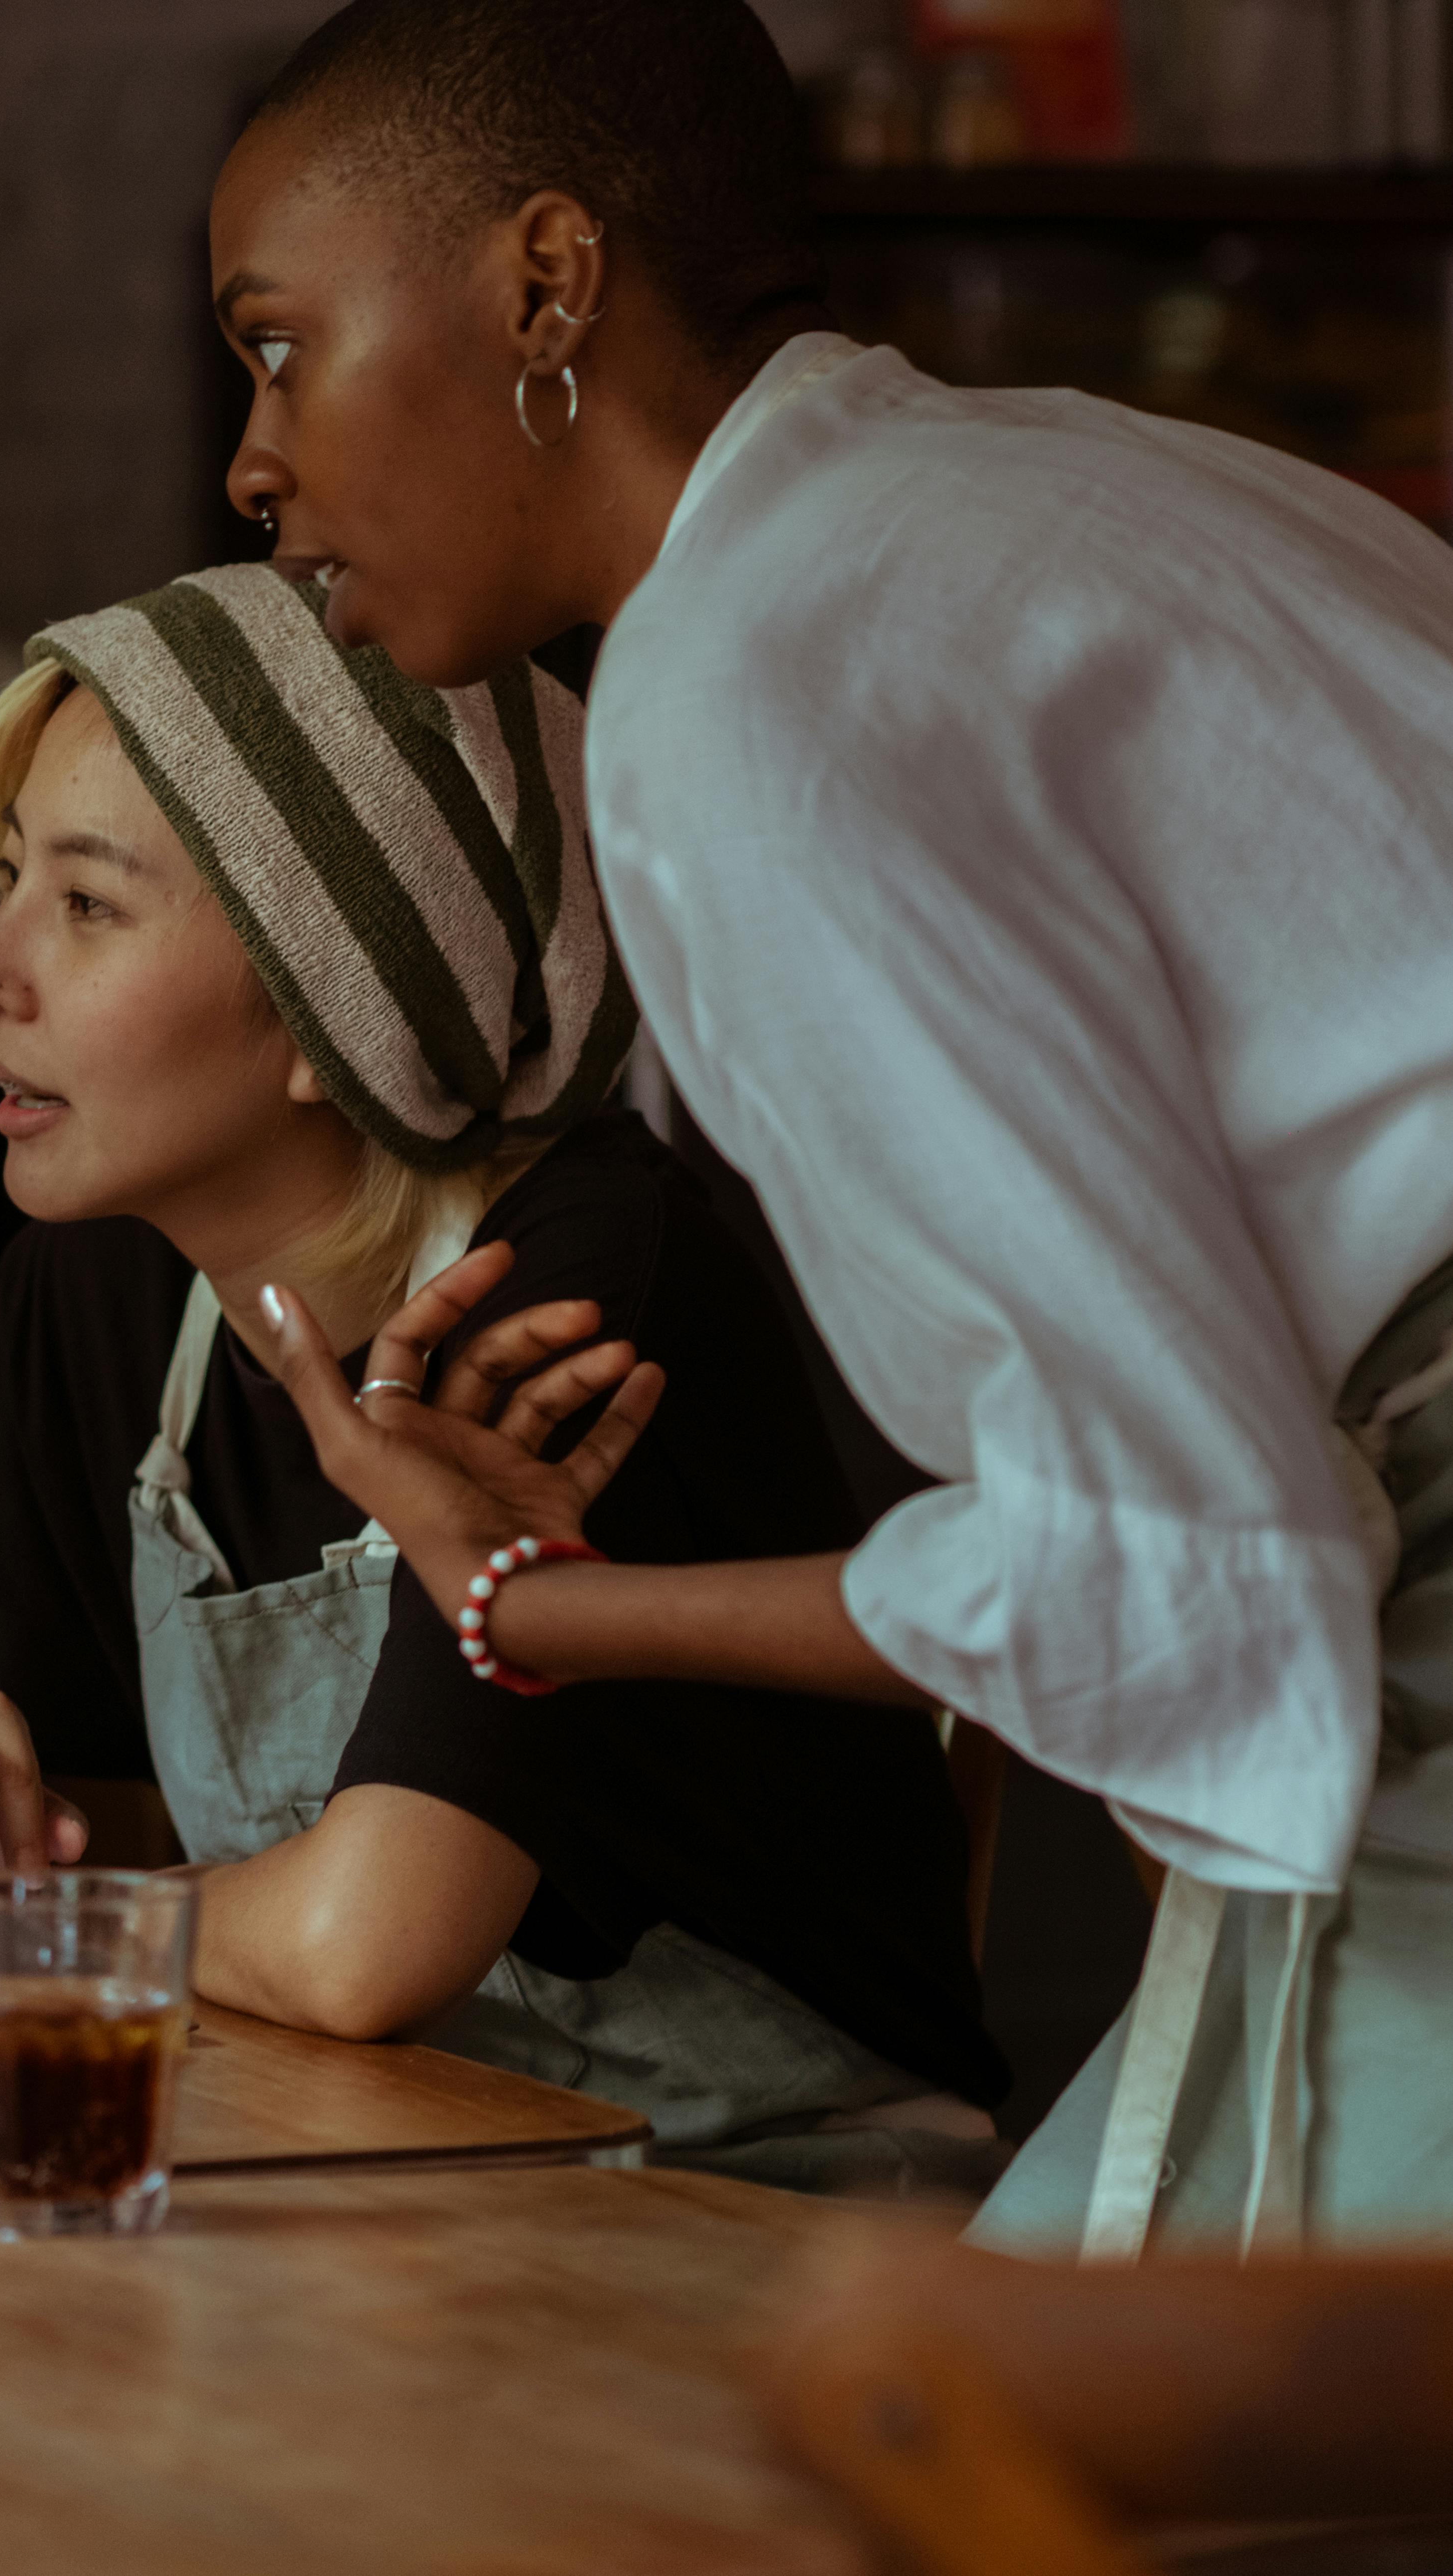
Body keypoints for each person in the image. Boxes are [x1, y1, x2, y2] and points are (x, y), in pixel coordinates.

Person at [198, 0, 1453, 2255]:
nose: (247, 463)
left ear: (544, 285)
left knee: (1082, 2460)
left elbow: (1187, 1570)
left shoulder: (743, 689)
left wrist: (549, 1607)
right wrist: (544, 1618)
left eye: (277, 347)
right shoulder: (1066, 483)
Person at [0, 560, 1005, 2191]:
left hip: (762, 2199)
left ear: (332, 1007)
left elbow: (369, 1947)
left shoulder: (571, 1268)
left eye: (83, 904)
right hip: (364, 2159)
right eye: (6, 883)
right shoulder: (103, 1268)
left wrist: (3, 1921)